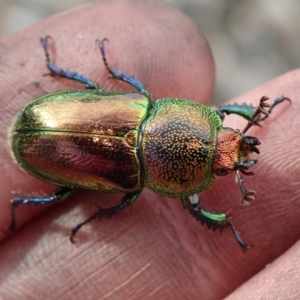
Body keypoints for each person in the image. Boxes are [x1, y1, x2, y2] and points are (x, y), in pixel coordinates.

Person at [0, 1, 299, 299]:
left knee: (93, 89)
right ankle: (51, 76)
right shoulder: (135, 160)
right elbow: (194, 206)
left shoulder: (140, 103)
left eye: (223, 164)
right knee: (64, 191)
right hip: (41, 130)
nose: (231, 152)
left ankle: (54, 72)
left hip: (48, 129)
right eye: (225, 148)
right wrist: (225, 221)